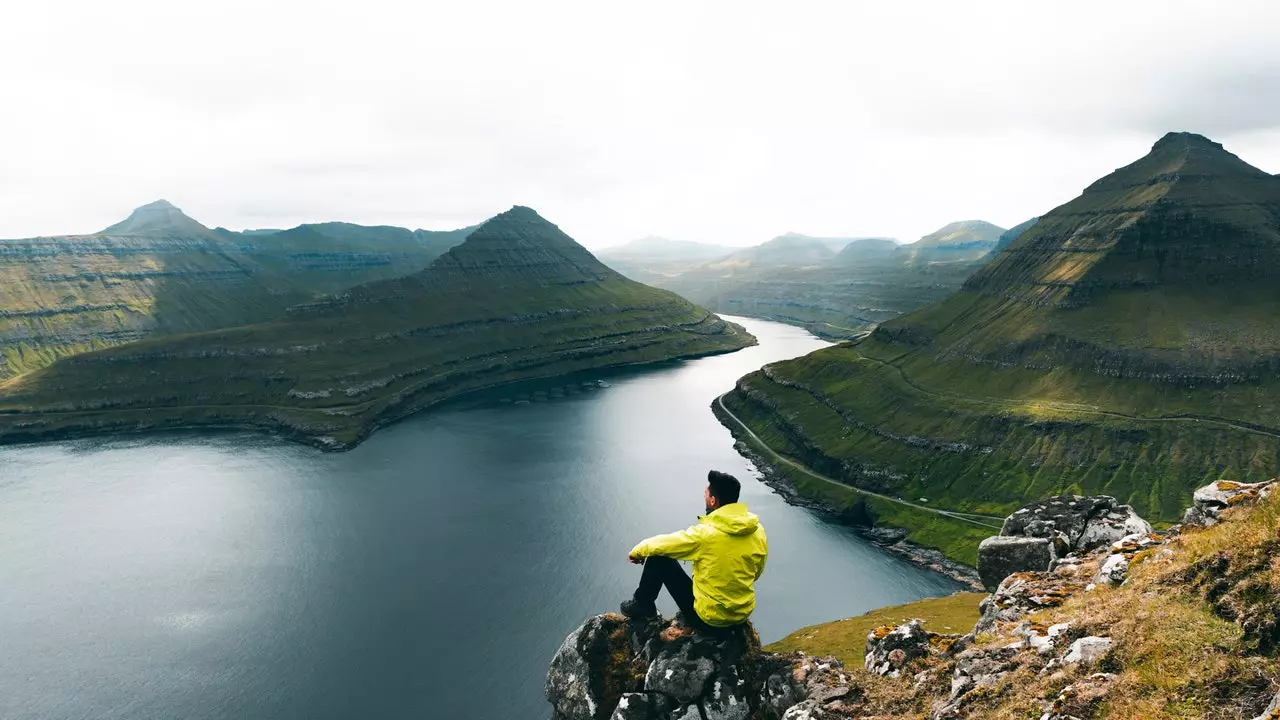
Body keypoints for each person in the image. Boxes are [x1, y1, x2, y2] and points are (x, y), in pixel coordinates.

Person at [621, 470, 768, 632]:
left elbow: (663, 544)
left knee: (658, 557)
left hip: (709, 620)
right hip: (740, 616)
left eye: (706, 494)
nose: (704, 497)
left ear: (713, 501)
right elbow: (756, 572)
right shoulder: (758, 530)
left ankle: (642, 606)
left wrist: (636, 552)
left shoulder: (706, 535)